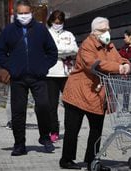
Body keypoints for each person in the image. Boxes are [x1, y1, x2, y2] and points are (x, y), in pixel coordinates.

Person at [59, 17, 131, 170]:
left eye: (108, 29)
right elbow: (94, 64)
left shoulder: (109, 45)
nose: (107, 33)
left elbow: (119, 59)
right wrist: (117, 68)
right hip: (78, 93)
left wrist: (125, 64)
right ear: (94, 32)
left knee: (96, 129)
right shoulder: (87, 45)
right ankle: (66, 160)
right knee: (72, 129)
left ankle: (92, 161)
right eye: (103, 30)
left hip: (97, 95)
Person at [0, 0, 58, 156]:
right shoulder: (9, 30)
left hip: (38, 77)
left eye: (26, 13)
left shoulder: (41, 29)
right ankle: (19, 144)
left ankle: (45, 138)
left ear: (31, 12)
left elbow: (52, 52)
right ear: (16, 14)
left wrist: (43, 67)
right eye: (20, 13)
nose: (24, 16)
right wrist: (11, 67)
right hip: (18, 78)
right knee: (18, 112)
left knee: (44, 106)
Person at [46, 10, 79, 143]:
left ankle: (70, 130)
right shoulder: (46, 34)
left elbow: (75, 50)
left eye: (60, 22)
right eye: (55, 22)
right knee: (51, 105)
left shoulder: (69, 34)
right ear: (51, 21)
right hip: (50, 74)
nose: (58, 24)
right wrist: (65, 52)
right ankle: (53, 130)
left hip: (67, 74)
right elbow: (47, 51)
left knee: (70, 104)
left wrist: (58, 51)